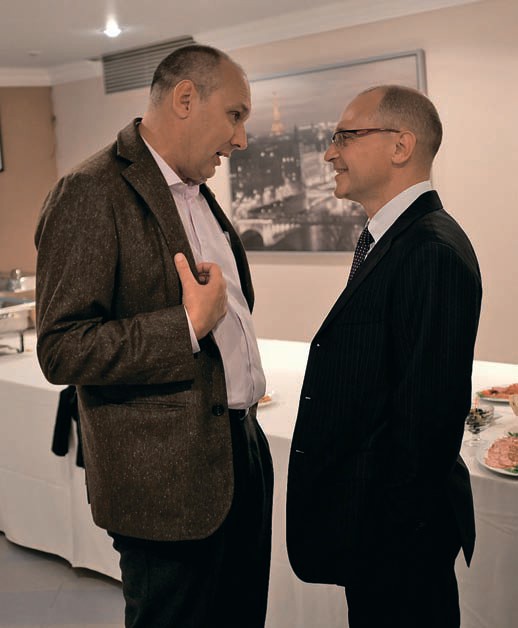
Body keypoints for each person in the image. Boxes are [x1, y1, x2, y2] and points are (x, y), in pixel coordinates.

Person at [35, 44, 273, 628]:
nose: (241, 139)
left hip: (241, 453)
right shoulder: (89, 190)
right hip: (165, 485)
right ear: (185, 98)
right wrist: (185, 326)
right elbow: (62, 347)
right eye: (235, 115)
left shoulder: (199, 190)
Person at [286, 85, 482, 628]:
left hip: (398, 543)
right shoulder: (396, 239)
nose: (330, 153)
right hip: (381, 535)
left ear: (401, 146)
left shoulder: (430, 250)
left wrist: (386, 539)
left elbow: (428, 423)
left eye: (345, 136)